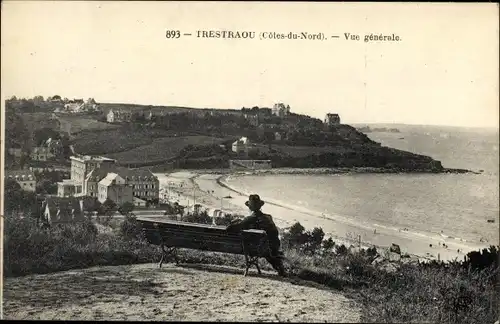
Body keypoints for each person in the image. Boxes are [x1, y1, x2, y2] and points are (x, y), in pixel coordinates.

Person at [226, 194, 286, 277]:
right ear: (260, 206)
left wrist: (235, 222)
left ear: (250, 207)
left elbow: (229, 229)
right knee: (267, 246)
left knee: (260, 244)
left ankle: (279, 267)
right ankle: (280, 268)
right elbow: (274, 233)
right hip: (270, 247)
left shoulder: (249, 219)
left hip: (256, 248)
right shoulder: (269, 217)